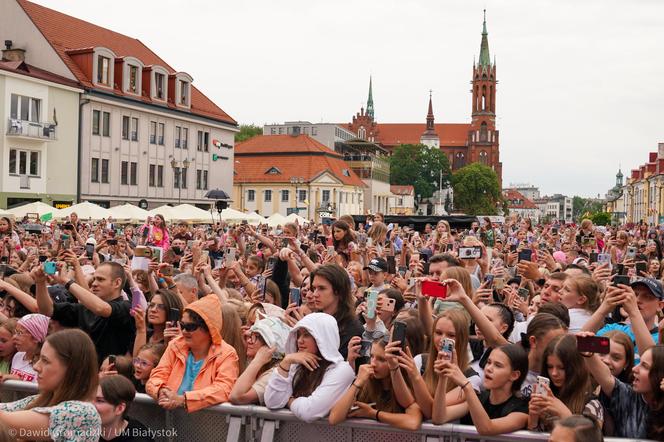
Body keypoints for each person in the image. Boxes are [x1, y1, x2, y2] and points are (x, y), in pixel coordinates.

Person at [0, 329, 101, 441]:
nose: (36, 367)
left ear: (71, 369)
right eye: (39, 358)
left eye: (45, 361)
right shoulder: (41, 399)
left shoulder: (82, 413)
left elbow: (4, 420)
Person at [146, 295, 240, 412]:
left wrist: (183, 400)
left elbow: (223, 389)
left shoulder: (227, 353)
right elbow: (156, 377)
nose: (184, 331)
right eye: (183, 325)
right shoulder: (175, 345)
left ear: (209, 328)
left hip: (207, 425)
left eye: (190, 327)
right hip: (171, 421)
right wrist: (161, 390)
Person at [34, 261, 135, 364]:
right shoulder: (84, 309)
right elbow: (47, 310)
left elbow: (102, 309)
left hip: (110, 376)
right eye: (94, 279)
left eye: (100, 279)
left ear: (117, 283)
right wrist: (40, 282)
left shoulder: (127, 307)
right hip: (84, 373)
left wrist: (66, 281)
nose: (94, 284)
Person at [264, 313, 355, 422]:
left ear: (323, 338)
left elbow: (309, 412)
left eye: (307, 335)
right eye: (299, 335)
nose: (299, 340)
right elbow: (272, 402)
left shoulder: (342, 370)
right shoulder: (296, 364)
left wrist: (288, 400)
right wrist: (286, 362)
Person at [431, 344, 529, 435]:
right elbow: (438, 418)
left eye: (498, 365)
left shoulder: (522, 409)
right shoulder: (479, 398)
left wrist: (466, 385)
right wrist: (443, 377)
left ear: (514, 375)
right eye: (489, 362)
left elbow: (486, 428)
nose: (488, 368)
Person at [329, 337, 423, 430]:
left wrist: (373, 413)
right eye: (372, 356)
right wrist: (357, 382)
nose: (373, 363)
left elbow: (413, 423)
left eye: (381, 359)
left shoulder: (408, 387)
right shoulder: (366, 382)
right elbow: (334, 418)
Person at [584, 335, 664, 439]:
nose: (635, 368)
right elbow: (606, 377)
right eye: (639, 363)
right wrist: (590, 354)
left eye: (644, 366)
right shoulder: (628, 396)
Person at [527, 334, 604, 431]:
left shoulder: (592, 404)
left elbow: (592, 438)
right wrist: (533, 420)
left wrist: (564, 414)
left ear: (576, 367)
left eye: (561, 368)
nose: (554, 373)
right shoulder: (544, 399)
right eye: (550, 367)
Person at [229, 315, 290, 405]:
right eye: (251, 336)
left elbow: (236, 396)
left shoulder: (274, 373)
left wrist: (257, 361)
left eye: (256, 337)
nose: (249, 341)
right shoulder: (255, 361)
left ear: (270, 346)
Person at [309, 264, 363, 359]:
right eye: (314, 288)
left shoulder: (353, 329)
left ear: (338, 291)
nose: (315, 294)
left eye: (321, 288)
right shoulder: (313, 321)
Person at [95, 375, 154, 441]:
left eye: (99, 401)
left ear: (120, 408)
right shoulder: (85, 428)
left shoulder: (140, 438)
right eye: (90, 399)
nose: (90, 406)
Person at [5, 313, 50, 383]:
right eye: (15, 332)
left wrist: (19, 380)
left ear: (35, 338)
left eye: (20, 333)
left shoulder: (43, 364)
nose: (14, 337)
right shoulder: (18, 356)